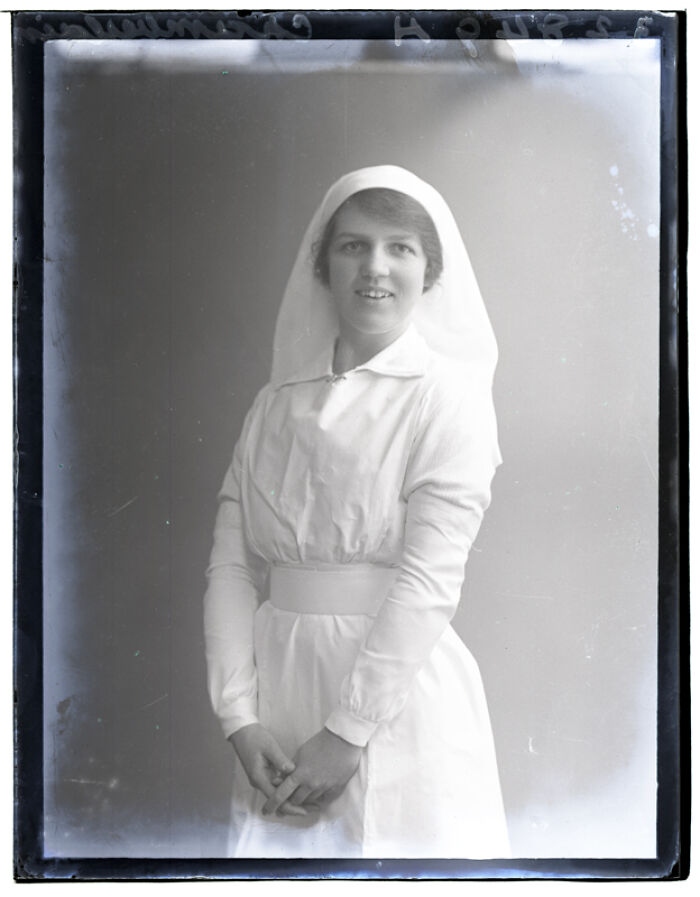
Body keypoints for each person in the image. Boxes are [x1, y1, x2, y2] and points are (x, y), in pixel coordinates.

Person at [204, 165, 510, 859]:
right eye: (354, 245)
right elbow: (229, 564)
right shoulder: (273, 405)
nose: (376, 267)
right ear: (324, 263)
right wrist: (238, 716)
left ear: (429, 269)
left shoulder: (446, 399)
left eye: (400, 247)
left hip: (393, 693)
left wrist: (348, 729)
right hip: (276, 693)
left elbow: (429, 580)